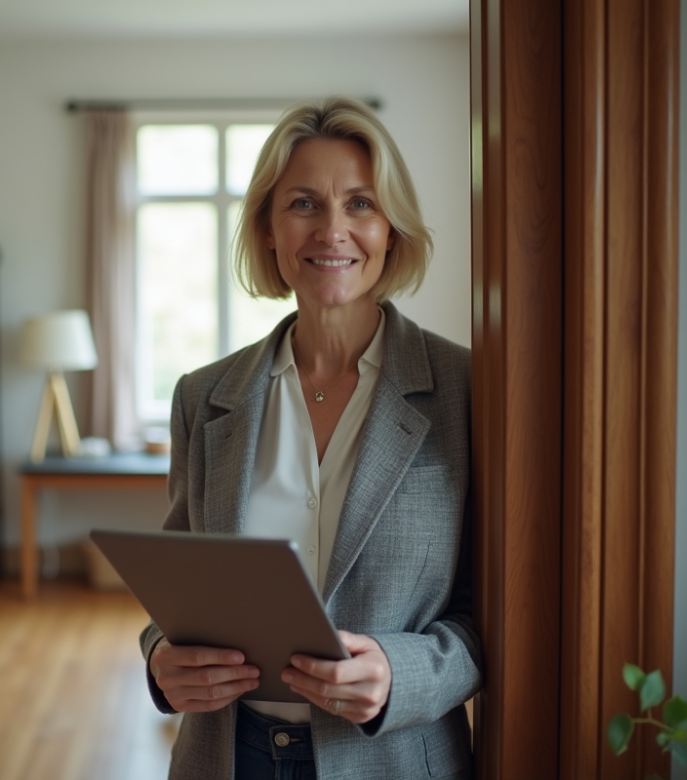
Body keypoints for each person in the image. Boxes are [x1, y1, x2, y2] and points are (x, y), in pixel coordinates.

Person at [140, 97, 481, 780]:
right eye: (303, 204)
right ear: (269, 228)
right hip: (227, 757)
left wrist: (401, 674)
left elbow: (498, 616)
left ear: (392, 229)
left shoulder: (468, 392)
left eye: (360, 204)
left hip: (393, 759)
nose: (332, 230)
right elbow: (177, 600)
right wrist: (158, 660)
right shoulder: (203, 397)